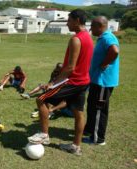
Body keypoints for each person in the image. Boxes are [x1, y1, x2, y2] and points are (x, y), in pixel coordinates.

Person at [27, 9, 93, 156]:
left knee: (41, 99)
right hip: (84, 82)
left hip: (73, 81)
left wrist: (53, 83)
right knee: (79, 113)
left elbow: (70, 67)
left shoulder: (76, 39)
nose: (67, 23)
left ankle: (44, 134)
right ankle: (76, 146)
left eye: (69, 20)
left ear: (77, 20)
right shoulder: (88, 37)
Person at [83, 16, 120, 145]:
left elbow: (115, 51)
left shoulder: (108, 37)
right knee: (92, 106)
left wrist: (105, 63)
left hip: (103, 81)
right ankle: (89, 130)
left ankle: (98, 139)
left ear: (100, 26)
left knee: (99, 109)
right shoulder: (102, 38)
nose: (90, 29)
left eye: (92, 26)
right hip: (96, 80)